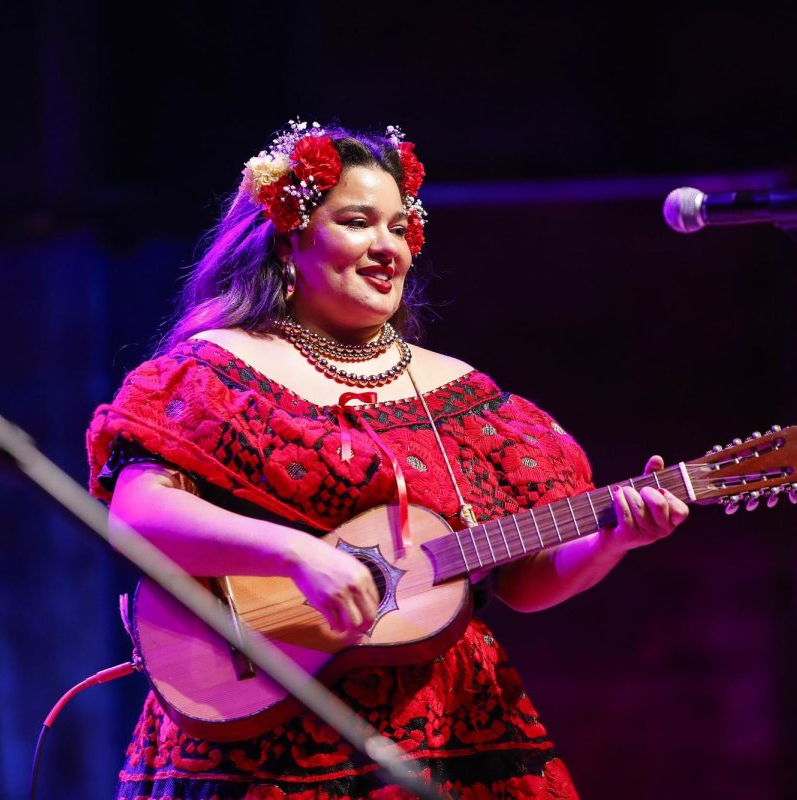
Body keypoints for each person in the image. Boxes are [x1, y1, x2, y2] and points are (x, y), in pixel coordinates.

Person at [86, 120, 689, 799]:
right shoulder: (214, 372)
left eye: (400, 227)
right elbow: (138, 514)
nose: (388, 248)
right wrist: (295, 555)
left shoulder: (459, 392)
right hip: (257, 739)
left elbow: (525, 582)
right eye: (357, 222)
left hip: (448, 733)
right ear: (288, 237)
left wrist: (614, 538)